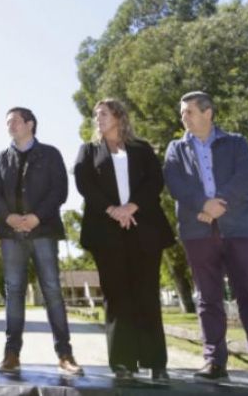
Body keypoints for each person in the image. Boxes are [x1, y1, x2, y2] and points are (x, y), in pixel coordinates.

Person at [164, 91, 248, 383]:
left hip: (239, 230)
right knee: (207, 298)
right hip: (197, 232)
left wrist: (217, 205)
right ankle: (214, 362)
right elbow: (175, 183)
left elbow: (247, 181)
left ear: (208, 113)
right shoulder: (176, 148)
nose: (184, 117)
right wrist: (203, 205)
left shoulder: (236, 143)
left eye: (189, 112)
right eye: (182, 112)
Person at [74, 99, 174, 381]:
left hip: (144, 229)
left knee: (147, 294)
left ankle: (157, 363)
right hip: (106, 232)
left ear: (118, 117)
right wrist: (112, 210)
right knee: (116, 297)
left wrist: (131, 207)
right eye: (96, 115)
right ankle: (123, 363)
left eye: (103, 114)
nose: (98, 119)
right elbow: (84, 184)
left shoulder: (141, 149)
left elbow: (155, 182)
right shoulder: (88, 150)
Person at [0, 107, 83, 376]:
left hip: (44, 232)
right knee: (13, 292)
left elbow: (59, 190)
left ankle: (65, 355)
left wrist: (36, 217)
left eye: (15, 121)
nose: (10, 125)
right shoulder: (1, 158)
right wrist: (9, 217)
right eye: (8, 122)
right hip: (10, 235)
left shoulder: (50, 154)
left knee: (52, 290)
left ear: (30, 124)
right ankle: (11, 355)